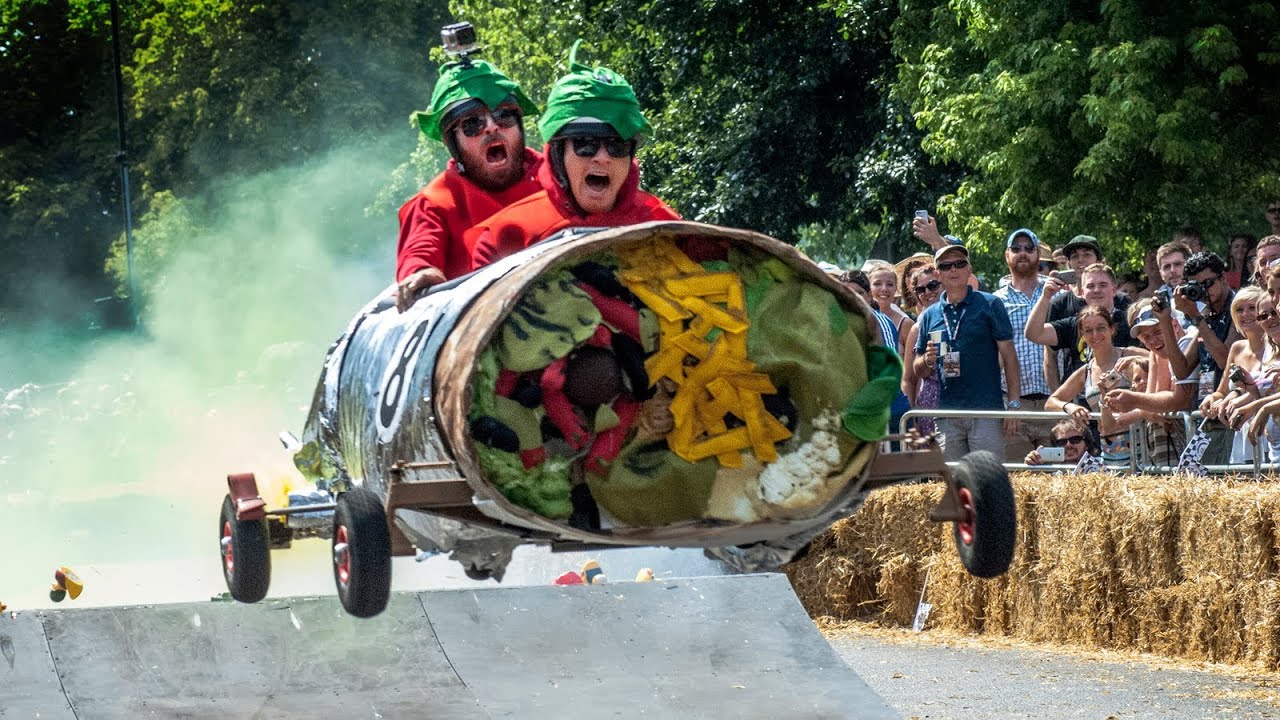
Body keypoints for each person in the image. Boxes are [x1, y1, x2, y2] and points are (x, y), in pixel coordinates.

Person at [469, 41, 679, 268]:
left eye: (617, 146)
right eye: (585, 144)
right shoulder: (505, 238)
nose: (603, 157)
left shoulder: (665, 225)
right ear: (558, 154)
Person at [395, 53, 543, 311]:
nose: (491, 127)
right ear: (452, 143)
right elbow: (418, 254)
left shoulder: (558, 177)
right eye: (472, 123)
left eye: (503, 115)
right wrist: (422, 272)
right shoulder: (434, 203)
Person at [913, 244, 1021, 460]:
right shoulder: (929, 315)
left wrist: (1014, 405)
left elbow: (1009, 357)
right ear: (938, 274)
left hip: (985, 410)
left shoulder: (990, 304)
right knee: (954, 484)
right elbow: (918, 370)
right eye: (946, 266)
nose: (953, 270)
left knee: (988, 480)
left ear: (969, 269)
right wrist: (927, 359)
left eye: (959, 264)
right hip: (946, 413)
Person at [1044, 305, 1143, 466]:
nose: (1095, 335)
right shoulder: (1086, 371)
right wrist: (1069, 407)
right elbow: (1051, 403)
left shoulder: (1131, 355)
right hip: (1111, 451)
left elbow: (1163, 364)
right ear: (1082, 334)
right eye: (1088, 330)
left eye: (1101, 328)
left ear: (1112, 329)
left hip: (1143, 447)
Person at [993, 228, 1052, 460]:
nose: (1023, 253)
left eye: (1029, 248)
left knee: (1061, 481)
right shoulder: (995, 300)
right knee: (1019, 481)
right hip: (1015, 405)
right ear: (1007, 256)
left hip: (1053, 401)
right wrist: (1010, 406)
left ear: (1038, 255)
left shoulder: (1056, 292)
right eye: (1016, 249)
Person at [1200, 287, 1268, 463]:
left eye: (1252, 308)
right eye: (1239, 309)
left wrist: (1238, 395)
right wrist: (1212, 399)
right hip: (1241, 436)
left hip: (1268, 430)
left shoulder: (1274, 346)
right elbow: (1221, 391)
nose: (1245, 314)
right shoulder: (1237, 348)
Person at [864, 259, 912, 352]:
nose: (884, 289)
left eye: (890, 284)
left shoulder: (906, 324)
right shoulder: (860, 319)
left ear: (896, 289)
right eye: (877, 284)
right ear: (868, 288)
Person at [1024, 419, 1091, 466]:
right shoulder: (1051, 475)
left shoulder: (1100, 467)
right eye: (1062, 442)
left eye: (1075, 440)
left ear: (1086, 444)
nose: (1068, 445)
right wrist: (1030, 467)